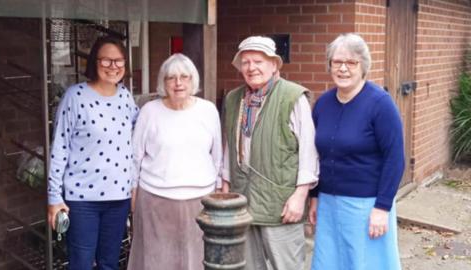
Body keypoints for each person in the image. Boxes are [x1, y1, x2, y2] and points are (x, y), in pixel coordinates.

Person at [221, 36, 319, 270]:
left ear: (274, 65)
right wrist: (225, 186)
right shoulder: (234, 98)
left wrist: (300, 196)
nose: (251, 67)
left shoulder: (292, 97)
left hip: (281, 204)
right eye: (245, 62)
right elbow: (230, 148)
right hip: (242, 200)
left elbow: (308, 150)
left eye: (258, 61)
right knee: (246, 266)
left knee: (285, 266)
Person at [308, 33, 405, 270]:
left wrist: (382, 207)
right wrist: (315, 197)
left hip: (366, 205)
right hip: (329, 204)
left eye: (351, 63)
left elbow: (395, 159)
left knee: (364, 264)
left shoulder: (380, 104)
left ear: (363, 67)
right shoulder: (323, 103)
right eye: (336, 62)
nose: (343, 69)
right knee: (330, 262)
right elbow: (319, 155)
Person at [47, 36, 139, 270]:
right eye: (106, 60)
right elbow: (59, 148)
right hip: (82, 200)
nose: (113, 67)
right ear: (94, 63)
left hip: (118, 198)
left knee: (109, 263)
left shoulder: (125, 96)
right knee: (81, 264)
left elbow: (142, 132)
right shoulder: (75, 96)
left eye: (119, 61)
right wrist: (54, 198)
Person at [127, 53, 222, 270]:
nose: (178, 83)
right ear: (163, 82)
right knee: (156, 260)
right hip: (155, 199)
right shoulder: (150, 111)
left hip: (201, 201)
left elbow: (217, 156)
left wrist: (218, 187)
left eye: (184, 77)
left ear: (193, 80)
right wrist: (133, 191)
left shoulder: (207, 110)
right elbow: (135, 156)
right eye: (171, 78)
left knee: (197, 260)